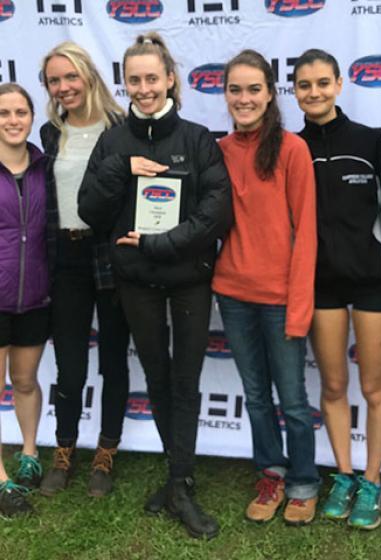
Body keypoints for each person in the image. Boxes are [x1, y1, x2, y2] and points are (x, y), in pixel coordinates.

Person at [78, 32, 232, 539]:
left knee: (185, 381)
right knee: (159, 377)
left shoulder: (197, 138)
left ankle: (179, 482)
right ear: (125, 83)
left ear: (171, 79)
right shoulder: (114, 140)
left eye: (152, 78)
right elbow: (89, 209)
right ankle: (178, 476)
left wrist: (160, 244)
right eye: (134, 79)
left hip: (186, 278)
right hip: (136, 283)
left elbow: (215, 212)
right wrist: (121, 170)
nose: (144, 88)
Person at [213, 50, 320, 526]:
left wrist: (299, 307)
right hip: (232, 294)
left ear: (270, 93)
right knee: (256, 394)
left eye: (254, 89)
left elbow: (307, 235)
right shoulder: (216, 150)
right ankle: (271, 472)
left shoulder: (293, 150)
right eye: (235, 89)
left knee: (293, 400)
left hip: (280, 300)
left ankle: (303, 482)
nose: (244, 98)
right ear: (225, 95)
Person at [293, 49, 381, 530]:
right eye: (304, 85)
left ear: (338, 85)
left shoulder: (370, 142)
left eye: (322, 83)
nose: (314, 92)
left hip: (374, 282)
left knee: (375, 386)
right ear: (294, 91)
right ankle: (345, 475)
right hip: (321, 284)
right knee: (333, 385)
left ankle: (372, 482)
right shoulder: (291, 148)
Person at [38, 42, 130, 499]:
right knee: (70, 363)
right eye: (54, 80)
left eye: (70, 77)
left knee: (114, 357)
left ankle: (106, 451)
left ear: (89, 76)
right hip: (67, 259)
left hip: (111, 254)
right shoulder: (49, 132)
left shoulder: (120, 128)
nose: (63, 87)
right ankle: (64, 448)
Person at [0, 83, 49, 516]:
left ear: (32, 117)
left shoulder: (42, 166)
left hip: (35, 295)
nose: (13, 120)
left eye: (21, 112)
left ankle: (30, 453)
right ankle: (0, 480)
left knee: (27, 381)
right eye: (4, 113)